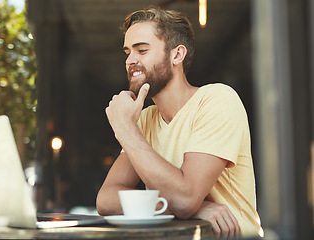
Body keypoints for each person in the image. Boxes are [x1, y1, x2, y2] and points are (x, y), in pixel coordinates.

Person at [96, 6, 263, 239]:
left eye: (141, 50)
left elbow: (185, 200)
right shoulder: (144, 120)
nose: (130, 60)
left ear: (177, 55)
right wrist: (197, 208)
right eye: (127, 52)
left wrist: (124, 128)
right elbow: (106, 199)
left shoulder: (217, 100)